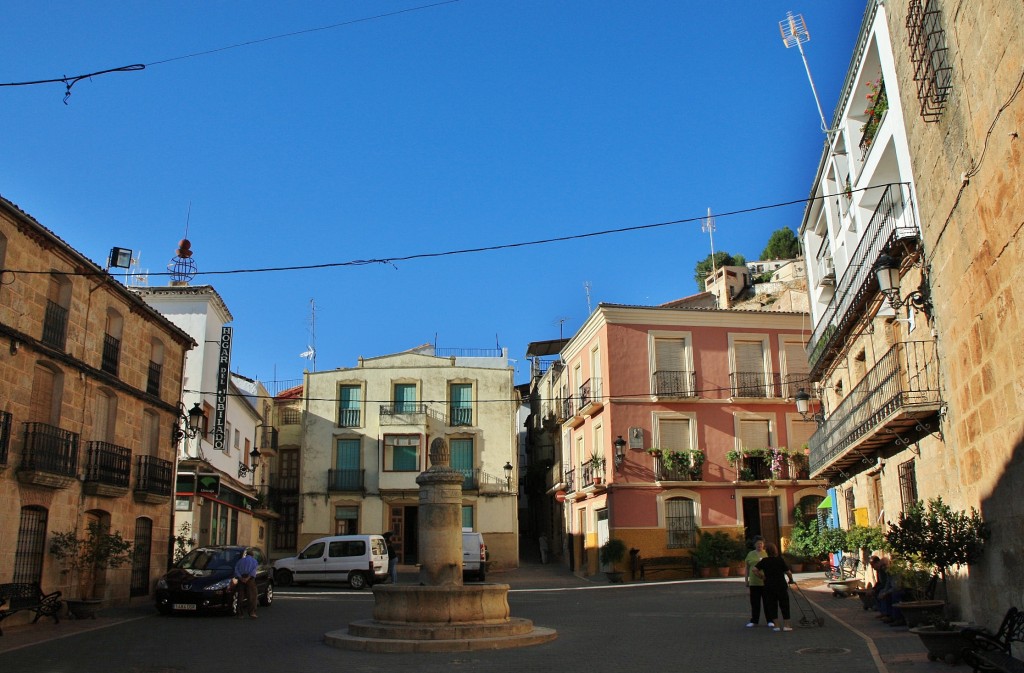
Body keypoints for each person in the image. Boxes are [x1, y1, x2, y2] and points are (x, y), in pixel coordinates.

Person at [755, 542, 795, 632]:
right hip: (781, 585)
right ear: (775, 550)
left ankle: (776, 625)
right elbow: (788, 572)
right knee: (784, 604)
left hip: (768, 586)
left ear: (767, 551)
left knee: (772, 605)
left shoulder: (764, 561)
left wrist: (762, 576)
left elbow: (754, 570)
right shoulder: (780, 560)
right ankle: (786, 625)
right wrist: (791, 580)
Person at [744, 536, 770, 628]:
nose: (760, 545)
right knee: (755, 602)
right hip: (754, 582)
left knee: (767, 601)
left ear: (763, 544)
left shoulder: (766, 554)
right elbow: (747, 568)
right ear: (755, 544)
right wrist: (746, 579)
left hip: (765, 582)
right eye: (758, 543)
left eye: (761, 543)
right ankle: (754, 620)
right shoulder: (750, 554)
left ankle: (770, 620)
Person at [233, 548, 259, 618]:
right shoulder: (254, 561)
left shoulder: (240, 561)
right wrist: (248, 578)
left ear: (246, 554)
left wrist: (240, 578)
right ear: (252, 555)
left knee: (240, 596)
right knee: (252, 596)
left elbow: (236, 570)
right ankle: (252, 612)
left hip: (241, 578)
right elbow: (253, 571)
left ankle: (240, 613)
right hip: (250, 579)